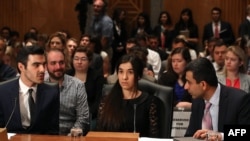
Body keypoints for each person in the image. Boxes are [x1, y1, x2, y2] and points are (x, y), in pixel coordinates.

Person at [184, 57, 250, 141]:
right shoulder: (197, 101)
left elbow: (244, 133)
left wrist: (220, 136)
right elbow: (190, 135)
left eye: (189, 82)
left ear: (203, 85)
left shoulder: (239, 100)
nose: (185, 87)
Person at [96, 54, 161, 137]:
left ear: (138, 76)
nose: (124, 77)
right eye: (121, 72)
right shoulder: (106, 101)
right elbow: (98, 134)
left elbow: (154, 136)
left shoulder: (150, 102)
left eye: (130, 72)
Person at [0, 45, 60, 134]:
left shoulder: (51, 92)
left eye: (44, 64)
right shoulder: (3, 91)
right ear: (21, 67)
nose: (42, 70)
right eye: (36, 65)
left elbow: (53, 131)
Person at [45, 48, 90, 135]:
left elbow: (83, 117)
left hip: (71, 135)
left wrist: (72, 134)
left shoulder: (78, 85)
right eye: (53, 63)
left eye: (61, 62)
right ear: (46, 66)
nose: (58, 67)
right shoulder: (40, 86)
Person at [67, 47, 104, 130]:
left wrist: (86, 114)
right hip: (68, 114)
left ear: (89, 61)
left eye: (83, 59)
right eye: (76, 59)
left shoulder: (97, 77)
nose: (79, 62)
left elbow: (98, 101)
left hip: (89, 116)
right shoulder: (66, 75)